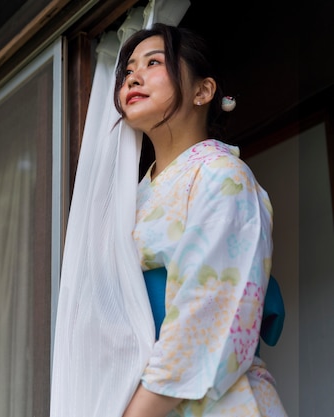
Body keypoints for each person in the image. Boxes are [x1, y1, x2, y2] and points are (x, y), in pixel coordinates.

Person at [113, 23, 287, 416]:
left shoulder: (222, 176)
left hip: (213, 398)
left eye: (153, 62)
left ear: (203, 91)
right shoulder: (131, 196)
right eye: (127, 71)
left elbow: (205, 316)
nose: (133, 76)